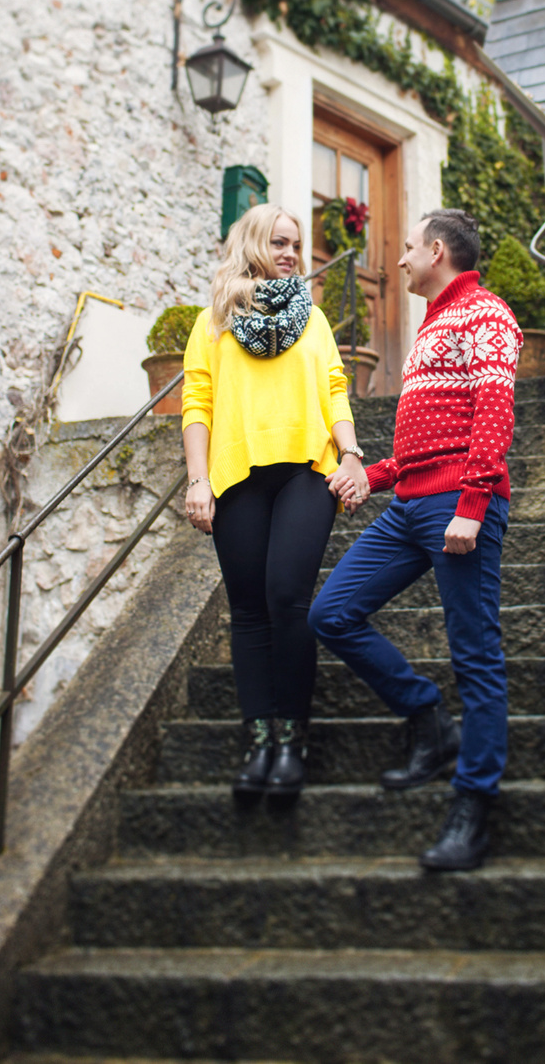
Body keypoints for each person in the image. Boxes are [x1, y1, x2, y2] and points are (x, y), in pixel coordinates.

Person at [310, 208, 522, 870]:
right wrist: (369, 478)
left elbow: (494, 411)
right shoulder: (432, 325)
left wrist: (473, 502)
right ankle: (428, 718)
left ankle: (475, 805)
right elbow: (426, 441)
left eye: (406, 249)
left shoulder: (486, 313)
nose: (397, 260)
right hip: (409, 506)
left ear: (436, 251)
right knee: (331, 612)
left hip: (458, 507)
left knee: (476, 656)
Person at [183, 203, 369, 797]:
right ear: (253, 243)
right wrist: (196, 479)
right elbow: (197, 402)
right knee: (249, 610)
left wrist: (351, 453)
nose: (291, 253)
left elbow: (335, 387)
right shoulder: (211, 319)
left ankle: (293, 738)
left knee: (287, 597)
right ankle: (258, 739)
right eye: (279, 242)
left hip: (306, 473)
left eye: (296, 244)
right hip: (236, 475)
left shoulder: (313, 318)